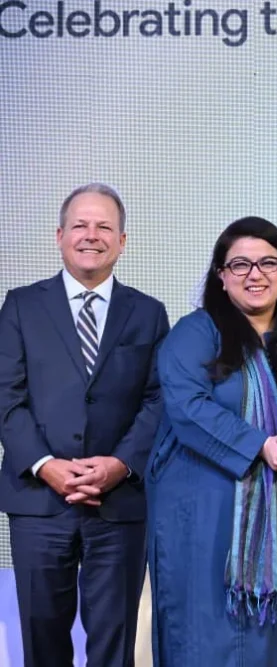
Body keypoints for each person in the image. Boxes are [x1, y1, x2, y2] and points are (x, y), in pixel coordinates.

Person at [145, 216, 277, 666]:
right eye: (240, 265)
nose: (256, 274)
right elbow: (188, 407)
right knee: (210, 638)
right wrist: (258, 445)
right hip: (206, 518)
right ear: (221, 276)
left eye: (269, 262)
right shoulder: (196, 333)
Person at [0, 183, 169, 666]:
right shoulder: (20, 306)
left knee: (113, 644)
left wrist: (120, 464)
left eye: (103, 227)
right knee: (42, 638)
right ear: (59, 235)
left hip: (118, 504)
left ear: (122, 240)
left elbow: (159, 399)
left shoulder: (149, 313)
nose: (90, 236)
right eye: (80, 225)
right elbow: (5, 396)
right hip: (38, 502)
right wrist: (45, 464)